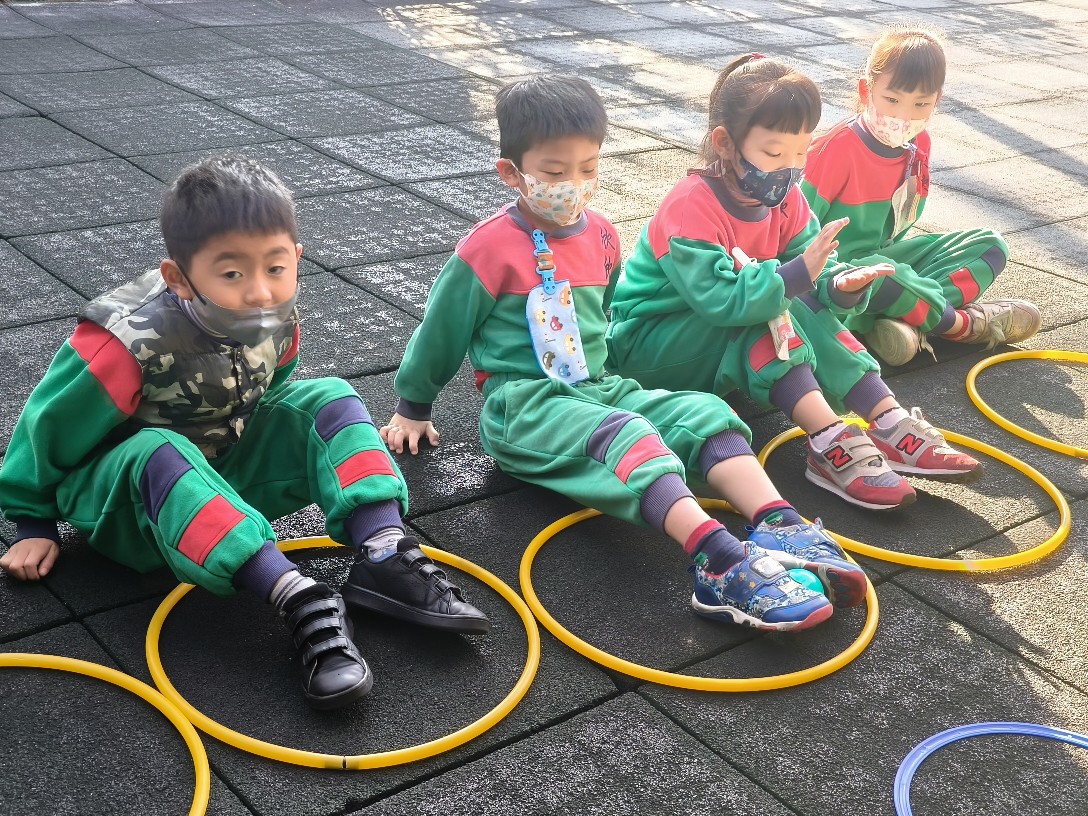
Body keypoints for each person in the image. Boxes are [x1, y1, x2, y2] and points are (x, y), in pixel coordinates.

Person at [382, 74, 871, 634]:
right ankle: (719, 559)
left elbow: (603, 316)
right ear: (511, 173)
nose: (574, 184)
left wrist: (619, 384)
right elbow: (441, 330)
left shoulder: (601, 235)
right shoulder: (487, 248)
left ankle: (780, 524)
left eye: (588, 168)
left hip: (597, 387)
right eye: (554, 173)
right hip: (525, 404)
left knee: (704, 413)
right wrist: (413, 405)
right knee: (627, 433)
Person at [0, 156, 488, 711]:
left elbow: (270, 392)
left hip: (218, 472)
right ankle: (295, 594)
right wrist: (32, 523)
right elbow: (46, 427)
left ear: (296, 257)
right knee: (162, 448)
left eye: (275, 268)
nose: (259, 292)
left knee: (328, 396)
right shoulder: (124, 342)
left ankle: (383, 553)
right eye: (232, 274)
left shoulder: (276, 312)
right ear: (178, 278)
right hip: (129, 508)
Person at [606, 55, 984, 513]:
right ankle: (828, 438)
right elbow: (723, 301)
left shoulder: (785, 200)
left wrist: (841, 285)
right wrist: (800, 274)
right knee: (768, 304)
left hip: (712, 346)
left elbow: (813, 272)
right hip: (649, 349)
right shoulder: (689, 209)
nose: (789, 168)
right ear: (725, 143)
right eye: (773, 154)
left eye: (801, 151)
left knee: (793, 297)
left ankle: (886, 418)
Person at [801, 26, 1040, 367]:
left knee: (990, 246)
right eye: (892, 99)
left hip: (885, 264)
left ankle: (899, 318)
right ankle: (959, 325)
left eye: (921, 104)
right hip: (835, 279)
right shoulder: (835, 150)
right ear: (867, 90)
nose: (903, 116)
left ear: (936, 100)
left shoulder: (919, 144)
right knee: (884, 275)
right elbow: (794, 240)